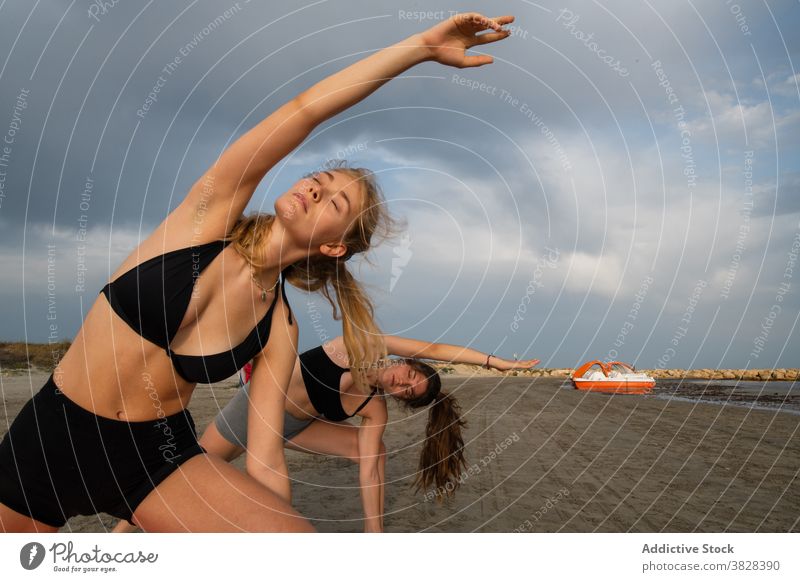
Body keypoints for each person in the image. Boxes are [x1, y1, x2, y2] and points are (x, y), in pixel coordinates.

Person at [0, 12, 516, 532]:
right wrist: (419, 48)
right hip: (51, 439)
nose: (316, 188)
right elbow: (303, 110)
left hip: (155, 460)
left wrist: (277, 520)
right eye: (322, 177)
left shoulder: (278, 326)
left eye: (335, 202)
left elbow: (265, 456)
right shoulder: (206, 222)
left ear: (334, 247)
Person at [113, 335, 537, 532]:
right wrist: (496, 362)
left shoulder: (375, 409)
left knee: (375, 451)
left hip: (296, 426)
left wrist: (374, 537)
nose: (400, 383)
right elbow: (438, 350)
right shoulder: (355, 346)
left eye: (407, 391)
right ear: (403, 361)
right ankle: (121, 536)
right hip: (254, 410)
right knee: (184, 471)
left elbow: (369, 473)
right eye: (408, 373)